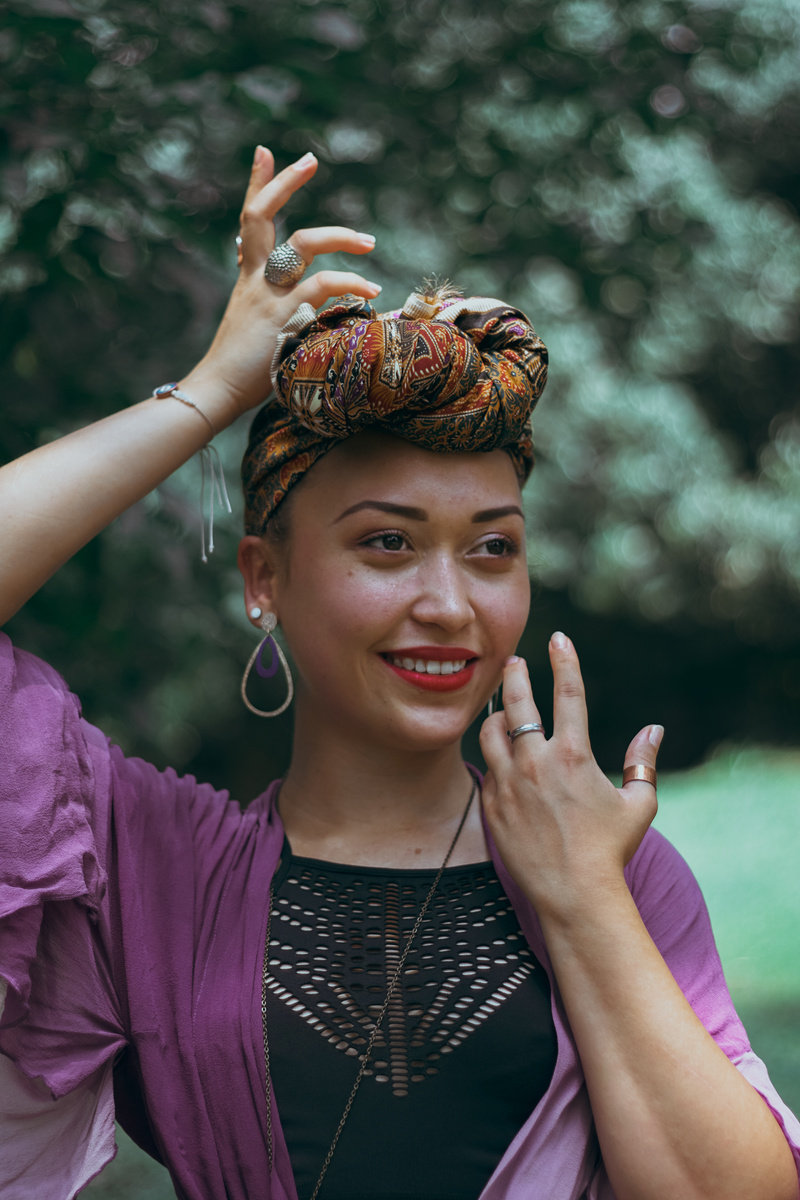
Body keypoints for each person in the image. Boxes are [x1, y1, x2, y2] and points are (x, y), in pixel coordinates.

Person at [0, 146, 798, 1200]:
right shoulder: (148, 866)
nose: (450, 604)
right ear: (264, 579)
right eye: (386, 544)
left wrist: (579, 900)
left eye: (490, 547)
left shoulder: (612, 867)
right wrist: (205, 397)